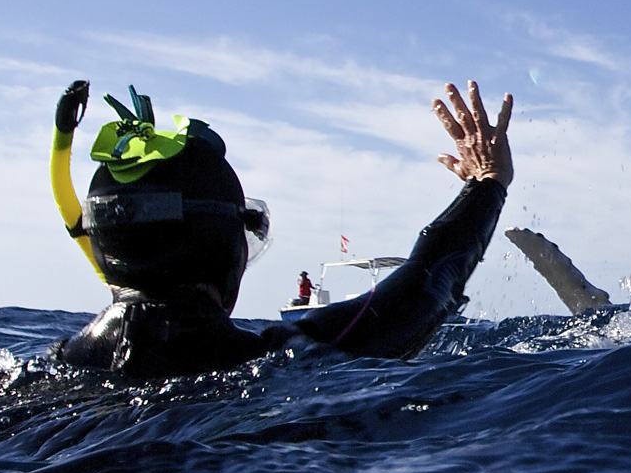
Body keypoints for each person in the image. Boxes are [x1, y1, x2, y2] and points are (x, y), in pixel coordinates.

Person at [49, 79, 513, 376]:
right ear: (224, 246)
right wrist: (488, 182)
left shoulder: (37, 374)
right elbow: (427, 282)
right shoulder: (278, 360)